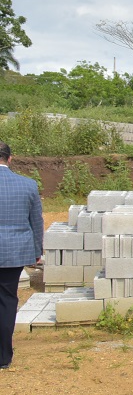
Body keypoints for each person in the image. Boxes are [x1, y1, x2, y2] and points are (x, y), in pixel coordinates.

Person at [0, 140, 43, 370]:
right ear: (10, 158)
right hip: (14, 251)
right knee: (7, 300)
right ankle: (3, 357)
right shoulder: (28, 185)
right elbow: (36, 221)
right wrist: (37, 252)